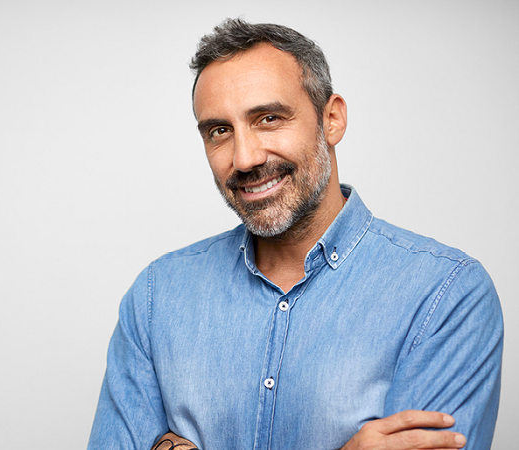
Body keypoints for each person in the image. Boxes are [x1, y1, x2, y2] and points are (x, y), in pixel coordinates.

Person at [87, 18, 503, 450]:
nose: (245, 158)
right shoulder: (157, 297)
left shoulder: (447, 296)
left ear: (333, 119)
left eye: (268, 118)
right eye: (219, 131)